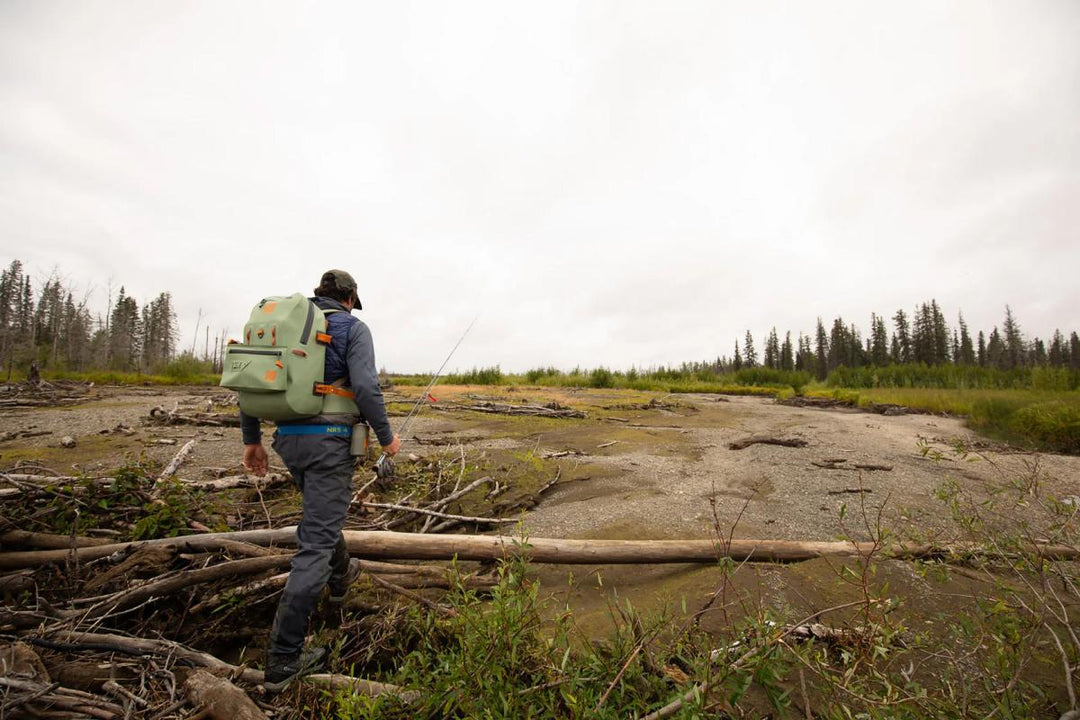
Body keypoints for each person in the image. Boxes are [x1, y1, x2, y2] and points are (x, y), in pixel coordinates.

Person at [238, 269, 401, 693]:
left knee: (320, 521)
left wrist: (251, 440)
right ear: (349, 298)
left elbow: (252, 379)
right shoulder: (353, 327)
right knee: (316, 541)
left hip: (288, 442)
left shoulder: (289, 327)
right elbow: (366, 387)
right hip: (329, 445)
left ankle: (341, 576)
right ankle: (284, 658)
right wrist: (388, 438)